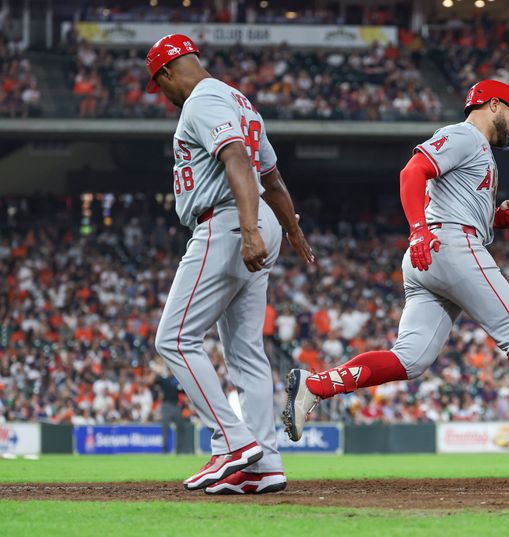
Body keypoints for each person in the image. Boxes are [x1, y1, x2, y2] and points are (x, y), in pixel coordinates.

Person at [283, 80, 509, 465]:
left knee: (410, 360)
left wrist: (495, 218)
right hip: (449, 245)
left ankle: (316, 385)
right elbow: (412, 173)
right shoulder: (464, 136)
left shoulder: (479, 151)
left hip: (437, 250)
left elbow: (455, 204)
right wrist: (418, 229)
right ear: (492, 104)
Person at [146, 34, 314, 494]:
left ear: (164, 73)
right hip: (254, 217)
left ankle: (232, 441)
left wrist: (251, 229)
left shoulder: (203, 99)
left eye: (157, 84)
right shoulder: (240, 101)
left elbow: (237, 159)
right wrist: (291, 230)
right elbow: (272, 176)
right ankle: (265, 464)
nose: (161, 94)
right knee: (245, 353)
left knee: (175, 339)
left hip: (228, 221)